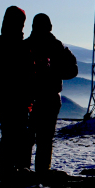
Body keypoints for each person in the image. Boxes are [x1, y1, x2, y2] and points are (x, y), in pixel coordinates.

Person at [26, 13, 78, 174]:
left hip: (28, 98)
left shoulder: (26, 45)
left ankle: (23, 170)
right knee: (45, 139)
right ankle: (41, 171)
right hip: (48, 98)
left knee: (27, 137)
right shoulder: (56, 47)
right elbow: (72, 70)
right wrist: (54, 72)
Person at [0, 6, 31, 179]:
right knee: (13, 134)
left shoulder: (1, 44)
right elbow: (15, 74)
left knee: (15, 134)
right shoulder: (12, 45)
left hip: (6, 99)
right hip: (13, 99)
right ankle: (8, 169)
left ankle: (12, 168)